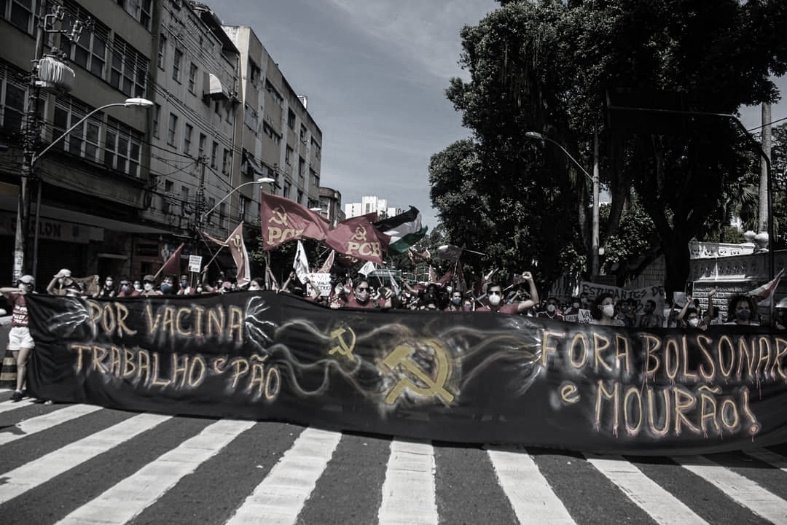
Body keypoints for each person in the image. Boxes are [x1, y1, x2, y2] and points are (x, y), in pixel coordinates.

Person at [0, 275, 36, 401]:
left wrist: (27, 294)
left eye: (24, 283)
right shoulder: (15, 296)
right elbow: (3, 290)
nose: (21, 285)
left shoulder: (34, 298)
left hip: (27, 331)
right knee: (18, 363)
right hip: (15, 331)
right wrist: (17, 291)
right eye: (20, 282)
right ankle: (25, 386)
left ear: (30, 285)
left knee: (21, 362)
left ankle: (18, 390)